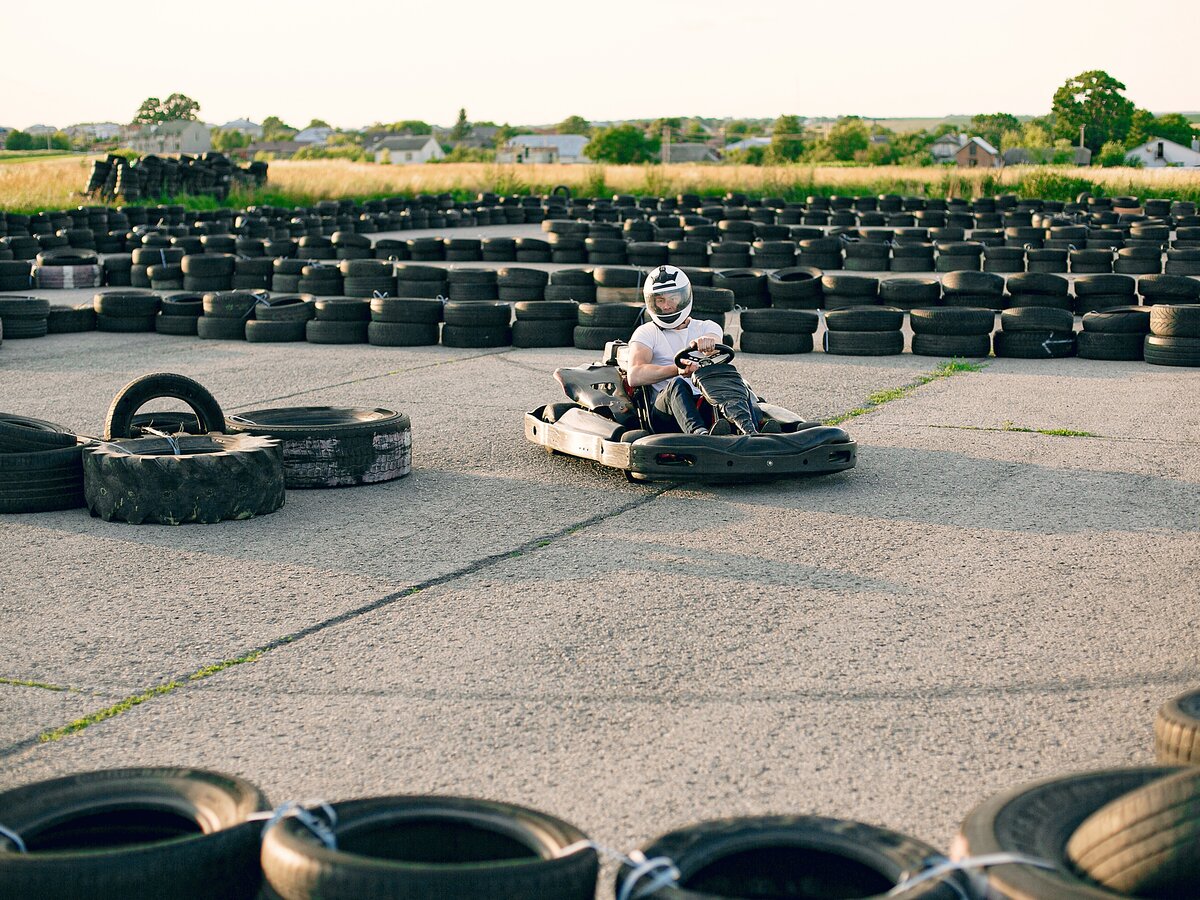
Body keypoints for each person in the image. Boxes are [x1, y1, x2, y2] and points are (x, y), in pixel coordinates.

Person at [627, 265, 772, 435]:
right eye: (660, 300)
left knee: (730, 376)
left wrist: (708, 344)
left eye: (672, 298)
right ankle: (698, 435)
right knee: (677, 384)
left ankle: (751, 431)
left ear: (684, 297)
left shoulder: (706, 327)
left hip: (705, 403)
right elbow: (634, 375)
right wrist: (677, 370)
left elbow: (716, 343)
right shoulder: (646, 332)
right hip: (667, 413)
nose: (666, 306)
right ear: (652, 302)